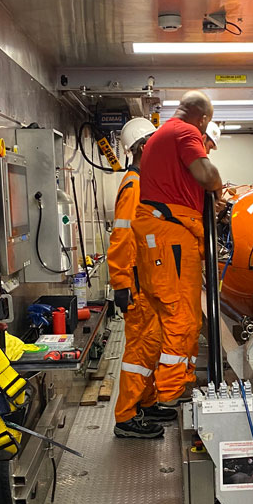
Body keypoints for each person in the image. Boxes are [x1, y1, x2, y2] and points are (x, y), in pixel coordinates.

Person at [133, 92, 222, 407]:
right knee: (181, 316)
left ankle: (178, 384)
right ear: (202, 119)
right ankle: (170, 394)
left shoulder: (162, 135)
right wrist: (218, 189)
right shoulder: (185, 131)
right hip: (171, 234)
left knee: (181, 315)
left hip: (168, 232)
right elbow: (205, 173)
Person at [108, 117, 175, 439]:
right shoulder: (134, 186)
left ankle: (146, 403)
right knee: (140, 351)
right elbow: (121, 238)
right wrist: (121, 283)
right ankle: (127, 416)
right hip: (138, 287)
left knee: (151, 348)